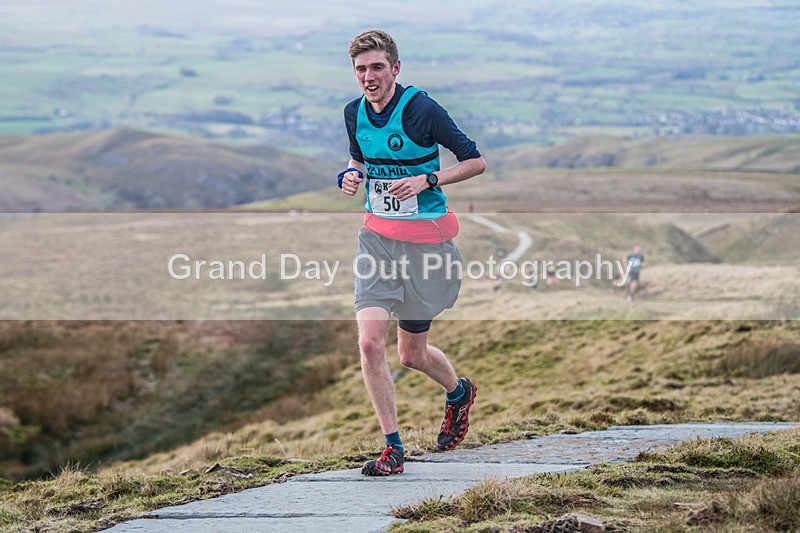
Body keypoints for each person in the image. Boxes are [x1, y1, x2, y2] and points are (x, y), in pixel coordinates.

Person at [339, 30, 486, 476]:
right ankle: (392, 448)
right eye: (361, 69)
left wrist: (429, 180)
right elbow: (361, 160)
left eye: (377, 67)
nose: (369, 77)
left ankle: (459, 393)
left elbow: (475, 160)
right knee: (368, 343)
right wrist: (350, 174)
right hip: (377, 241)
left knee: (411, 355)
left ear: (395, 68)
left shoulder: (422, 109)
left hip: (425, 246)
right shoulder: (353, 113)